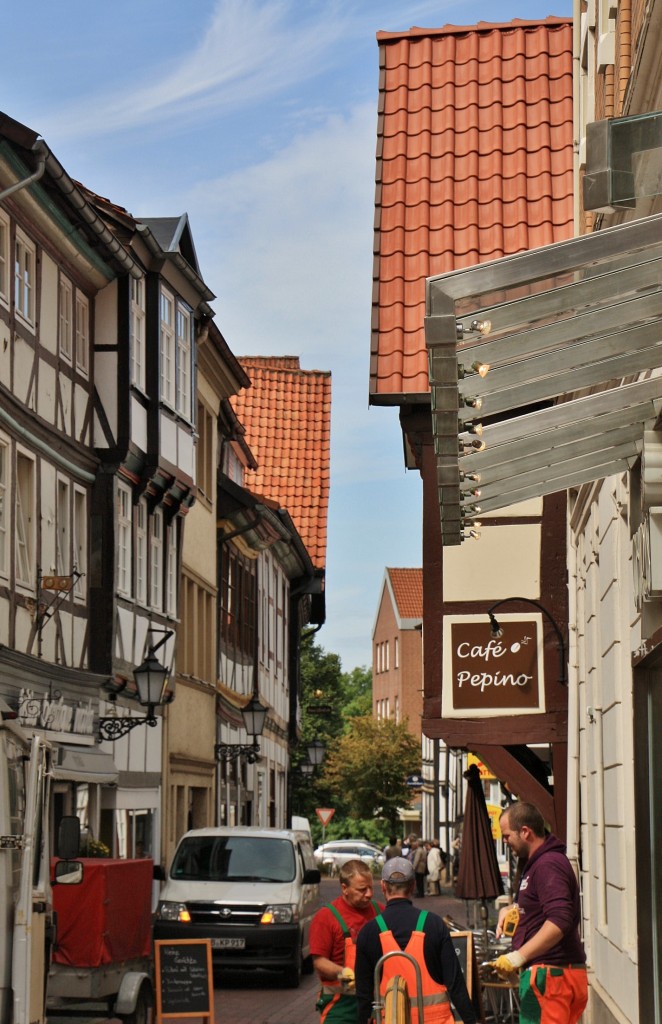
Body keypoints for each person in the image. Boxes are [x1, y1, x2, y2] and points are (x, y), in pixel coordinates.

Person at [494, 802, 588, 1024]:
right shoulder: (541, 863)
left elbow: (559, 919)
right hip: (554, 976)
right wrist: (512, 910)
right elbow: (546, 908)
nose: (504, 842)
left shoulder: (547, 865)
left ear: (525, 832)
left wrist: (519, 956)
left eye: (507, 836)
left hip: (549, 978)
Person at [355, 856, 477, 1024]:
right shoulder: (434, 925)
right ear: (413, 886)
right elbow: (455, 984)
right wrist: (471, 1020)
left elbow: (363, 995)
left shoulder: (368, 932)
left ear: (383, 887)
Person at [310, 859, 382, 1024]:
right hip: (341, 1006)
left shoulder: (381, 912)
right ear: (345, 889)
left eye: (371, 887)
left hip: (377, 1004)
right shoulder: (326, 917)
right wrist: (343, 974)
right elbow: (319, 961)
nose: (369, 894)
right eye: (362, 890)